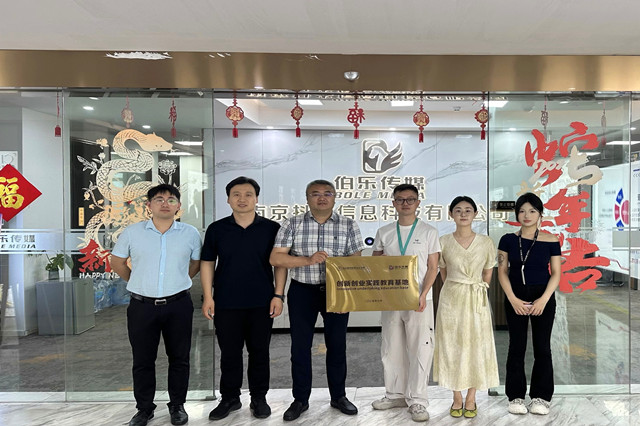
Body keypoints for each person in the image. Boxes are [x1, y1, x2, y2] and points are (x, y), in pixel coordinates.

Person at [270, 179, 365, 421]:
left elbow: (355, 260)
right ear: (307, 198)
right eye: (315, 194)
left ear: (334, 198)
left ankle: (339, 396)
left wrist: (348, 293)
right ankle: (300, 399)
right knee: (300, 347)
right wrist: (307, 260)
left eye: (327, 193)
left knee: (337, 346)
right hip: (303, 291)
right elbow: (276, 258)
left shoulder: (348, 224)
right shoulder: (292, 223)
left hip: (337, 291)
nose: (321, 198)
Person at [111, 184, 201, 426]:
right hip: (142, 306)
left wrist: (179, 281)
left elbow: (195, 264)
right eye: (159, 199)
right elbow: (117, 262)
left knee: (179, 358)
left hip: (178, 304)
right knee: (142, 360)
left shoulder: (190, 233)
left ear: (178, 206)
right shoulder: (133, 232)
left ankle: (177, 406)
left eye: (171, 200)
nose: (165, 203)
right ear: (148, 205)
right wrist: (137, 281)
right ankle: (144, 409)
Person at [200, 177, 287, 420]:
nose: (242, 199)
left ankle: (259, 398)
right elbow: (207, 262)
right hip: (226, 302)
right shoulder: (217, 229)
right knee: (229, 353)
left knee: (260, 352)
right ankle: (230, 398)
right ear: (228, 199)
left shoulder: (272, 228)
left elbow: (280, 264)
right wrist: (208, 296)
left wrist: (278, 294)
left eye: (248, 194)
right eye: (236, 194)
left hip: (262, 301)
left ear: (256, 199)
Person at [370, 183, 440, 423]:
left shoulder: (429, 231)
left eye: (411, 199)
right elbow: (375, 263)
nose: (405, 203)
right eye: (400, 199)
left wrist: (423, 293)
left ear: (418, 203)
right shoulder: (384, 231)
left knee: (420, 348)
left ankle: (418, 400)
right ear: (393, 203)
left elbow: (433, 267)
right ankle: (395, 394)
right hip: (391, 299)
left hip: (419, 300)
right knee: (391, 347)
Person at [433, 196, 500, 419]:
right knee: (451, 344)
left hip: (476, 298)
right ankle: (456, 396)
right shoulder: (443, 241)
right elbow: (443, 272)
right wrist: (457, 287)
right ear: (451, 214)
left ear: (475, 214)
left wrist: (478, 288)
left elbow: (488, 271)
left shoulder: (485, 242)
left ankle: (471, 397)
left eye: (468, 210)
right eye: (458, 210)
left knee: (476, 345)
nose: (463, 214)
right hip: (451, 298)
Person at [497, 192, 561, 416]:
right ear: (517, 214)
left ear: (540, 214)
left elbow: (556, 273)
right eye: (522, 211)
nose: (527, 215)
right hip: (516, 296)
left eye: (532, 211)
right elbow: (502, 272)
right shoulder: (507, 240)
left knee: (542, 347)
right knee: (517, 346)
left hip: (543, 296)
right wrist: (513, 299)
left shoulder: (551, 240)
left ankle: (541, 397)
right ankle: (515, 396)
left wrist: (543, 299)